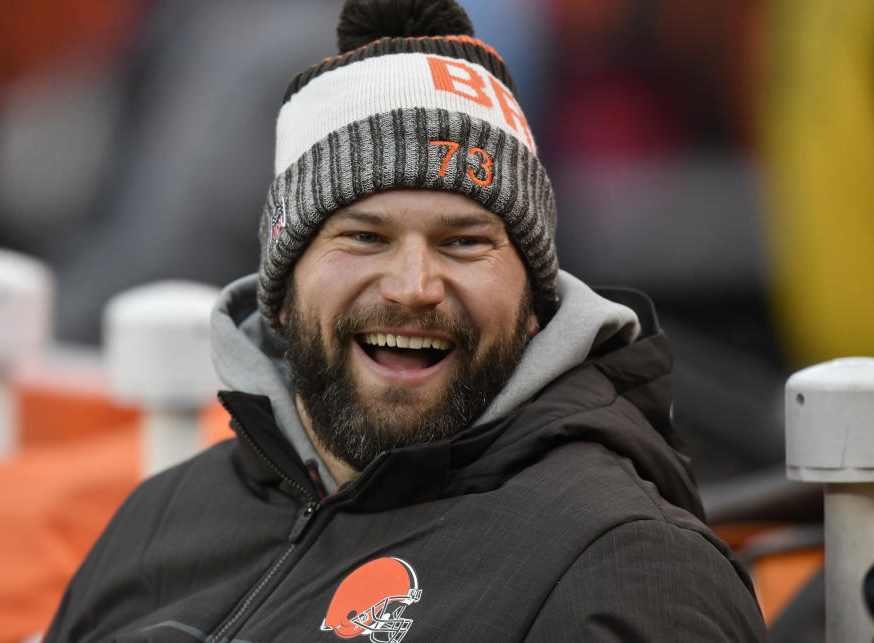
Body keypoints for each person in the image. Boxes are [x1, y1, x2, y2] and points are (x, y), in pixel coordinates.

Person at [45, 1, 768, 640]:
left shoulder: (628, 568)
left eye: (464, 241)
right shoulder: (161, 517)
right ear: (284, 280)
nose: (414, 286)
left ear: (534, 298)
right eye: (365, 236)